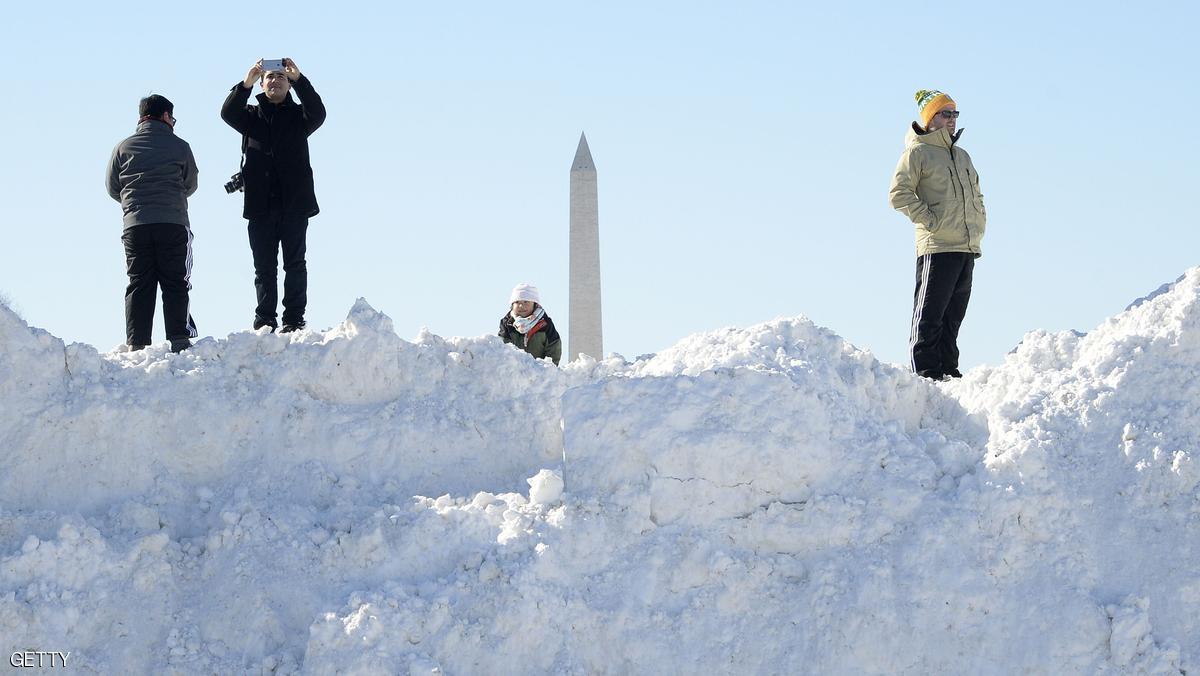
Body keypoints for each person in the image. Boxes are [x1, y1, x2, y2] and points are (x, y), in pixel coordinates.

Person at [220, 58, 326, 333]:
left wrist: (300, 79)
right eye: (269, 77)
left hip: (294, 203)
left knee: (295, 263)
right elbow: (228, 113)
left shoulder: (300, 116)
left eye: (281, 77)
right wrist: (246, 83)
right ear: (262, 83)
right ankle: (265, 318)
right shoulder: (251, 116)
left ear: (288, 85)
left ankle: (294, 319)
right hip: (260, 203)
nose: (275, 81)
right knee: (264, 267)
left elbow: (319, 112)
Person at [889, 89, 986, 380]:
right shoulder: (918, 153)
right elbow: (898, 194)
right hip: (938, 244)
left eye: (955, 114)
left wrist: (980, 219)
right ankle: (927, 373)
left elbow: (977, 194)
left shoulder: (962, 156)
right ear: (931, 118)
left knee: (953, 316)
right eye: (946, 114)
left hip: (967, 244)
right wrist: (930, 220)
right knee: (930, 313)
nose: (952, 119)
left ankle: (948, 371)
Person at [106, 94, 199, 353]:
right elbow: (190, 184)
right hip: (172, 222)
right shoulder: (180, 146)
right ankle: (179, 339)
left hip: (136, 225)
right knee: (175, 281)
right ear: (166, 116)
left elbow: (113, 187)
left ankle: (137, 342)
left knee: (139, 282)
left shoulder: (122, 147)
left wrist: (134, 204)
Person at [498, 283, 562, 366]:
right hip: (513, 372)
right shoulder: (507, 324)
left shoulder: (545, 324)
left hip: (539, 373)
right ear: (512, 305)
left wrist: (547, 369)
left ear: (535, 304)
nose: (521, 305)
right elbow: (502, 347)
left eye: (526, 302)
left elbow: (554, 348)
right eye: (517, 302)